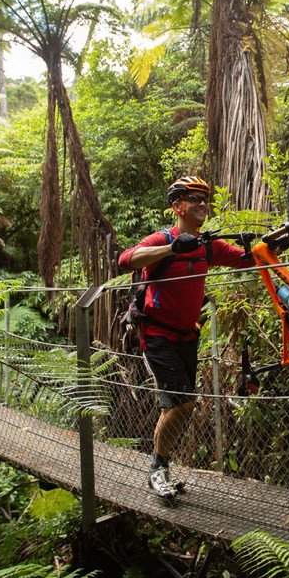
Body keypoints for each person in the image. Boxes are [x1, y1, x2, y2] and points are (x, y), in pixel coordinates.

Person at [118, 176, 250, 499]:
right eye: (194, 199)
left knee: (178, 406)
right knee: (183, 400)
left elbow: (244, 258)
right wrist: (172, 248)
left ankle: (160, 467)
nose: (202, 204)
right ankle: (156, 469)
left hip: (188, 336)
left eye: (205, 199)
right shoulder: (163, 239)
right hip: (157, 332)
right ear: (178, 206)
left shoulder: (208, 246)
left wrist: (270, 245)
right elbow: (125, 260)